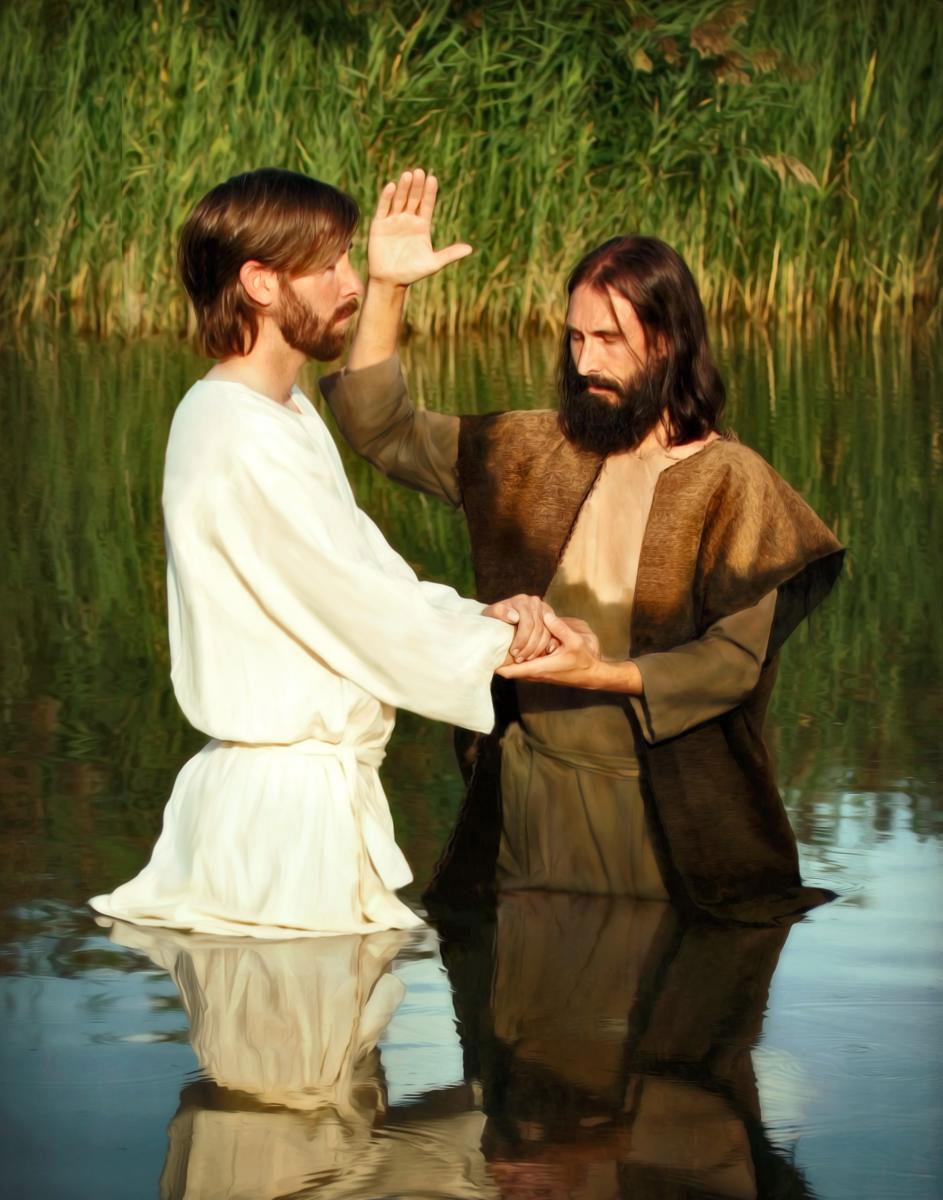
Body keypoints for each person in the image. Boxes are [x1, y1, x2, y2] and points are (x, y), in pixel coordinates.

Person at [321, 170, 846, 925]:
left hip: (662, 828)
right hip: (523, 811)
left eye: (608, 340)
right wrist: (387, 289)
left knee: (667, 993)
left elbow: (731, 664)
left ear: (669, 341)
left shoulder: (732, 481)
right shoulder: (527, 449)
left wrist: (601, 673)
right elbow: (381, 426)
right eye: (575, 337)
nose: (584, 363)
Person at [90, 167, 555, 939]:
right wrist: (507, 645)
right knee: (291, 1017)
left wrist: (484, 617)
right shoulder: (235, 433)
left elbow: (369, 573)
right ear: (260, 284)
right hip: (279, 828)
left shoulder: (283, 411)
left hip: (304, 807)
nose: (351, 282)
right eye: (329, 265)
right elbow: (356, 608)